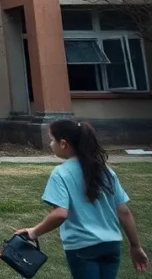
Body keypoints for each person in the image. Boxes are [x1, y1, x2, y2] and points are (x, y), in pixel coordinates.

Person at [16, 119, 149, 278]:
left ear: (63, 143)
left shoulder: (60, 173)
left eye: (52, 140)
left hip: (83, 247)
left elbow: (60, 214)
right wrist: (135, 246)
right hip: (111, 245)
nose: (51, 144)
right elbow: (124, 212)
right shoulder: (105, 171)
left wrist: (34, 232)